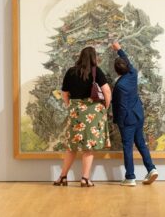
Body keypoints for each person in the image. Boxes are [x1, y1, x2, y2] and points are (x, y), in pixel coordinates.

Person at [54, 46, 112, 188]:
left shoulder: (71, 71)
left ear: (80, 56)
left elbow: (64, 93)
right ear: (94, 57)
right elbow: (107, 91)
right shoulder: (95, 71)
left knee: (71, 147)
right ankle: (85, 179)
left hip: (75, 112)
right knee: (88, 147)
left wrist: (71, 106)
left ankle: (62, 177)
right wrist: (105, 107)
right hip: (92, 112)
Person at [110, 41, 158, 186]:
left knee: (128, 147)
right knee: (141, 143)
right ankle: (151, 169)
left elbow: (122, 108)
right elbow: (128, 63)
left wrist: (119, 122)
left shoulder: (120, 86)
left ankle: (130, 177)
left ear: (116, 71)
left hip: (128, 121)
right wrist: (119, 49)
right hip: (138, 115)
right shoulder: (133, 74)